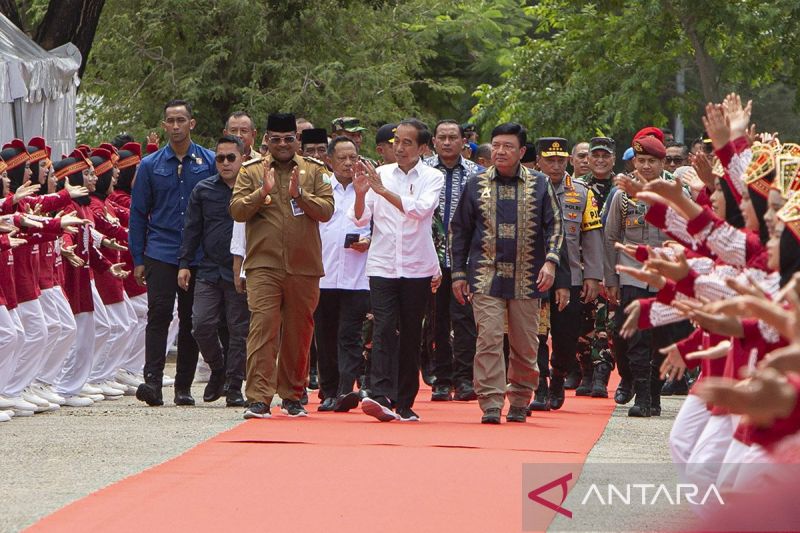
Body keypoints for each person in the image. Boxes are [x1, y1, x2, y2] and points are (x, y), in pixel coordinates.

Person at [450, 122, 564, 424]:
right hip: (485, 275)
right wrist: (458, 274)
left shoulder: (540, 184)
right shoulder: (475, 185)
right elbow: (459, 230)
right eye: (496, 145)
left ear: (522, 151)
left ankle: (520, 398)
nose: (500, 151)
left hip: (528, 277)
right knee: (487, 338)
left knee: (526, 344)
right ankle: (490, 401)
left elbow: (555, 226)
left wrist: (551, 261)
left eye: (508, 146)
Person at [231, 113, 334, 419]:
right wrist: (261, 192)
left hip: (304, 265)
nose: (282, 145)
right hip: (264, 264)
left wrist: (300, 196)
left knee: (299, 332)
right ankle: (259, 397)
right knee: (263, 328)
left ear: (297, 141)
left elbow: (327, 210)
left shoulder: (314, 171)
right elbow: (236, 210)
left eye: (289, 139)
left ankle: (291, 395)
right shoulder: (251, 170)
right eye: (275, 139)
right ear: (266, 140)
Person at [350, 118, 443, 422]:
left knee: (411, 332)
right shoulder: (379, 174)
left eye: (407, 143)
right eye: (395, 142)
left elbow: (420, 210)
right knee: (384, 326)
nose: (399, 148)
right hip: (383, 264)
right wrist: (363, 193)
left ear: (422, 148)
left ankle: (405, 401)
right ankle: (379, 394)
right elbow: (360, 219)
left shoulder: (432, 176)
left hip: (417, 266)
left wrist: (382, 191)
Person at [130, 99, 216, 407]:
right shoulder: (150, 165)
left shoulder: (208, 161)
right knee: (158, 315)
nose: (176, 126)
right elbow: (138, 213)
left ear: (192, 123)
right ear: (164, 125)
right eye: (170, 120)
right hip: (161, 251)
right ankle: (152, 382)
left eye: (181, 120)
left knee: (191, 319)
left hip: (197, 253)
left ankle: (183, 386)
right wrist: (137, 258)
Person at [178, 135, 250, 408]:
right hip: (208, 267)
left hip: (241, 269)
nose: (225, 163)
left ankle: (234, 386)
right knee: (201, 323)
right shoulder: (203, 189)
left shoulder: (252, 190)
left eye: (231, 157)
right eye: (220, 158)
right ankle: (217, 368)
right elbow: (192, 229)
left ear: (242, 158)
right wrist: (184, 264)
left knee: (238, 330)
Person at [603, 135, 672, 417]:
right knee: (637, 338)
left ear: (662, 163)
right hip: (632, 275)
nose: (645, 166)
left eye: (651, 161)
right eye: (640, 160)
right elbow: (610, 237)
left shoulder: (676, 192)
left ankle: (654, 394)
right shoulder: (622, 194)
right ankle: (641, 397)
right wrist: (611, 280)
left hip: (667, 276)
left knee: (663, 337)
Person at [535, 137, 605, 409]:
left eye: (560, 160)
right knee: (535, 335)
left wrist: (593, 276)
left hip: (572, 276)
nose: (555, 165)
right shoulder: (530, 189)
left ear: (569, 161)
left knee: (566, 336)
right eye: (549, 160)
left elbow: (592, 238)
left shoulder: (582, 193)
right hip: (535, 277)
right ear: (539, 160)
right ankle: (539, 386)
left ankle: (559, 374)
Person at [425, 120, 482, 402]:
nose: (447, 143)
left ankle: (465, 379)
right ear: (434, 141)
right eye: (442, 138)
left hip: (466, 259)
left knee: (465, 320)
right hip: (429, 258)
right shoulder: (421, 171)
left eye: (453, 138)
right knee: (436, 320)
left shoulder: (477, 175)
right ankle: (441, 379)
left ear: (464, 142)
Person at [314, 137, 372, 412]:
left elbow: (381, 226)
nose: (349, 163)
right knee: (325, 335)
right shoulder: (320, 188)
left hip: (357, 275)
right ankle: (328, 389)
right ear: (329, 160)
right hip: (323, 274)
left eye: (353, 157)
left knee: (349, 334)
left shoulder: (370, 188)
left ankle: (345, 390)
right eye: (342, 158)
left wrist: (369, 241)